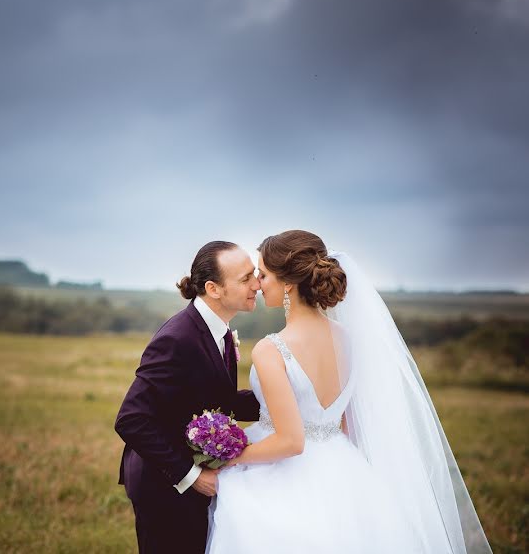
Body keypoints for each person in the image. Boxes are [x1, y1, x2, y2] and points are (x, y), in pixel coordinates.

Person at [206, 230, 491, 554]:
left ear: (288, 283)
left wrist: (231, 459)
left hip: (284, 476)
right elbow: (346, 423)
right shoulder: (351, 340)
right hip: (342, 468)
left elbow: (291, 442)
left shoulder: (272, 349)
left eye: (264, 274)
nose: (258, 283)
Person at [115, 241, 261, 554]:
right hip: (164, 486)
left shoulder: (218, 330)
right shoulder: (176, 338)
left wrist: (284, 400)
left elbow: (217, 400)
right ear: (214, 288)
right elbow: (132, 419)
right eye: (246, 278)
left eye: (256, 275)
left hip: (189, 481)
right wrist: (191, 476)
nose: (257, 285)